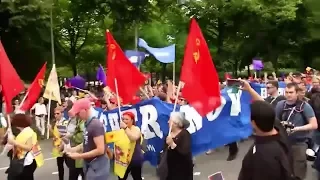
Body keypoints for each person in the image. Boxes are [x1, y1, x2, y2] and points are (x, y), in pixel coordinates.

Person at [275, 83, 318, 179]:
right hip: (282, 143)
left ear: (297, 93)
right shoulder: (280, 105)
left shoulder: (305, 106)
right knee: (283, 170)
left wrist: (297, 129)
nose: (288, 95)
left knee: (298, 172)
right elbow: (275, 121)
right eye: (286, 92)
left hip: (299, 143)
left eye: (291, 92)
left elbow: (314, 125)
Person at [66, 98, 109, 180]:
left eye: (78, 112)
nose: (77, 115)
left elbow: (100, 150)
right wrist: (73, 149)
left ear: (85, 110)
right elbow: (86, 142)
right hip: (91, 165)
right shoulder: (87, 124)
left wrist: (79, 156)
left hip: (97, 166)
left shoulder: (95, 124)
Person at [6, 114, 44, 180]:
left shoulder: (28, 132)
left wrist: (14, 142)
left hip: (27, 161)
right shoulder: (23, 132)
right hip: (23, 160)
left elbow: (29, 147)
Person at [165, 112, 193, 180]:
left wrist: (172, 144)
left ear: (175, 123)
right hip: (170, 169)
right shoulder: (169, 134)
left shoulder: (185, 134)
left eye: (170, 120)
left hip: (183, 169)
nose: (168, 122)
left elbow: (184, 152)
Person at [117, 111, 143, 180]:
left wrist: (125, 128)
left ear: (132, 120)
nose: (124, 121)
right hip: (123, 160)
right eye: (123, 119)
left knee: (137, 177)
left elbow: (133, 138)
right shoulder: (120, 131)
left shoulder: (136, 129)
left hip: (134, 159)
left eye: (126, 119)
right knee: (121, 178)